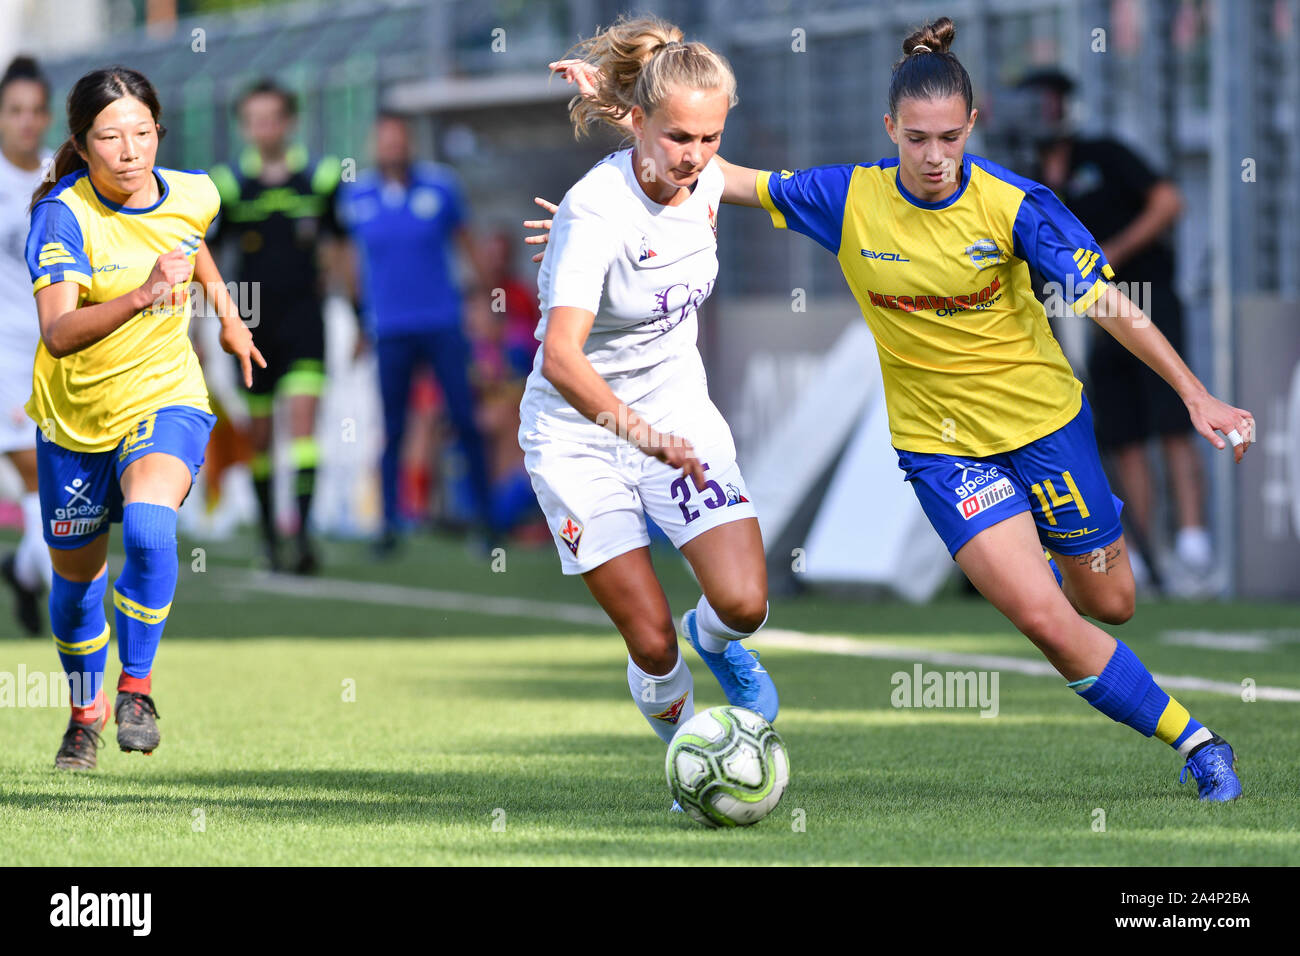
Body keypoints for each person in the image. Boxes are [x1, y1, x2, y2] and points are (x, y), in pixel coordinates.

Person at [535, 17, 1252, 801]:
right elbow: (707, 168)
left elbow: (1110, 302)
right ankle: (1199, 742)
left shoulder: (1015, 206)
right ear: (891, 131)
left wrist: (1195, 393)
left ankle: (1058, 545)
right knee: (1045, 621)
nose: (935, 157)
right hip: (942, 452)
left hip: (1046, 430)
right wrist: (608, 179)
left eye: (949, 138)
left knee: (1109, 603)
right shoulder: (848, 199)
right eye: (917, 139)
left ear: (971, 127)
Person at [521, 16, 778, 778]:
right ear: (642, 124)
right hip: (579, 436)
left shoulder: (705, 177)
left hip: (675, 416)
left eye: (709, 139)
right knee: (652, 642)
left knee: (743, 606)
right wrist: (639, 435)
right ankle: (693, 761)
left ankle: (719, 643)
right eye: (680, 140)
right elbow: (561, 359)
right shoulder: (594, 212)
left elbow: (781, 191)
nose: (696, 159)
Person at [26, 66, 264, 769]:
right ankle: (84, 712)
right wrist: (142, 294)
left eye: (142, 132)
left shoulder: (194, 189)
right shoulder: (61, 216)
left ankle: (136, 688)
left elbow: (190, 242)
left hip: (166, 394)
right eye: (110, 137)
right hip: (74, 421)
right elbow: (59, 333)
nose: (130, 150)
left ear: (159, 129)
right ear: (81, 143)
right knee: (75, 592)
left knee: (155, 526)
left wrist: (227, 318)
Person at [1018, 67, 1210, 588]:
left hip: (1146, 300)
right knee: (1123, 432)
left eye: (1046, 101)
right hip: (1096, 316)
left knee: (1172, 419)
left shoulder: (1103, 153)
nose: (1038, 112)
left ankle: (1195, 543)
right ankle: (1144, 556)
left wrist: (1114, 254)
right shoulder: (1026, 178)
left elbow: (1169, 201)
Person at [335, 112, 495, 555]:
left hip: (442, 323)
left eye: (398, 140)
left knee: (464, 419)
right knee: (393, 427)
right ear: (374, 144)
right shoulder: (357, 196)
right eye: (384, 140)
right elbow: (349, 260)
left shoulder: (440, 187)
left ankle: (486, 523)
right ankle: (388, 526)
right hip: (390, 329)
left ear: (409, 143)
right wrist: (358, 316)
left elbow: (467, 243)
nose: (392, 147)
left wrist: (485, 301)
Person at [209, 79, 342, 574]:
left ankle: (303, 536)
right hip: (251, 322)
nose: (263, 127)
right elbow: (209, 256)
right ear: (245, 127)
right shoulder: (226, 185)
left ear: (289, 122)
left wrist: (357, 308)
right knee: (261, 436)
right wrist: (211, 322)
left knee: (304, 427)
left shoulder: (322, 178)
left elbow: (340, 246)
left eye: (272, 118)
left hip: (306, 319)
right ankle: (270, 539)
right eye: (254, 119)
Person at [0, 55, 53, 635]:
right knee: (41, 477)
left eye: (36, 110)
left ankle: (23, 570)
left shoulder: (60, 177)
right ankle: (86, 619)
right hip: (5, 358)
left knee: (68, 487)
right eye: (14, 110)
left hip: (60, 351)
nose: (25, 121)